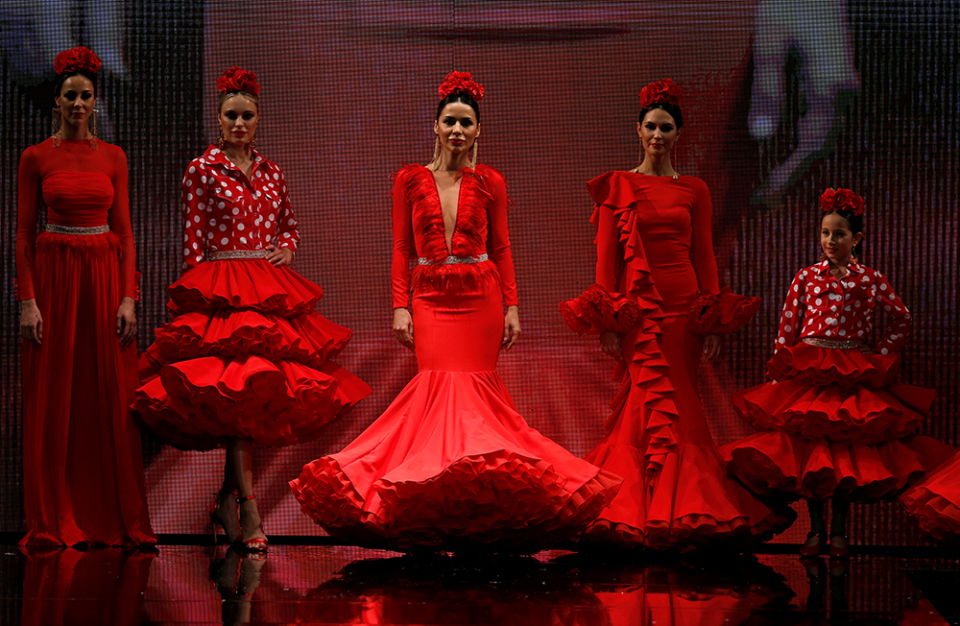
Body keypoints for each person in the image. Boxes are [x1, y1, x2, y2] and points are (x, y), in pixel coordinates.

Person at [290, 71, 620, 551]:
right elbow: (400, 247)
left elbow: (502, 247)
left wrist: (512, 306)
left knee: (475, 396)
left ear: (478, 129)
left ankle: (477, 507)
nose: (458, 130)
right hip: (429, 298)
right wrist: (400, 306)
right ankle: (433, 500)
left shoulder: (490, 180)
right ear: (436, 125)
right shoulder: (410, 179)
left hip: (481, 297)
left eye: (466, 122)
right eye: (450, 121)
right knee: (437, 391)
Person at [133, 67, 371, 552]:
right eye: (231, 115)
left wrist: (286, 248)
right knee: (233, 396)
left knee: (250, 398)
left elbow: (289, 224)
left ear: (258, 119)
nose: (239, 123)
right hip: (222, 292)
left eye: (247, 115)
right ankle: (247, 509)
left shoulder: (271, 170)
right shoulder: (201, 169)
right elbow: (193, 242)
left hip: (266, 288)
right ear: (219, 119)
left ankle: (229, 501)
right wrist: (197, 304)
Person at [560, 79, 793, 550]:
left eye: (666, 128)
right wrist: (609, 319)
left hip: (684, 312)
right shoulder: (618, 185)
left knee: (683, 407)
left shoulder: (694, 189)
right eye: (650, 126)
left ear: (678, 134)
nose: (657, 135)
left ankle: (684, 509)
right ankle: (633, 510)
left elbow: (704, 255)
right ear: (638, 130)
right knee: (642, 404)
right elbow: (607, 260)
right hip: (639, 313)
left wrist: (712, 316)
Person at [721, 188, 953, 557]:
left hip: (850, 370)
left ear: (856, 238)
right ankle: (815, 530)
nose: (831, 240)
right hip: (810, 370)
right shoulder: (806, 277)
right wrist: (779, 367)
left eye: (839, 234)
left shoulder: (870, 279)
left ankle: (840, 531)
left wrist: (880, 354)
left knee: (845, 453)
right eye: (826, 233)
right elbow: (788, 324)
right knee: (813, 453)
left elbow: (902, 317)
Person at [16, 47, 155, 547]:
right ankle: (54, 517)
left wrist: (128, 298)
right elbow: (23, 235)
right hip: (55, 277)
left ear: (95, 102)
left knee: (109, 395)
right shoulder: (35, 157)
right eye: (70, 95)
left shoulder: (114, 156)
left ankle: (113, 518)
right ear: (56, 101)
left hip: (102, 276)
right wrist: (28, 301)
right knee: (54, 395)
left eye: (86, 96)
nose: (78, 103)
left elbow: (126, 235)